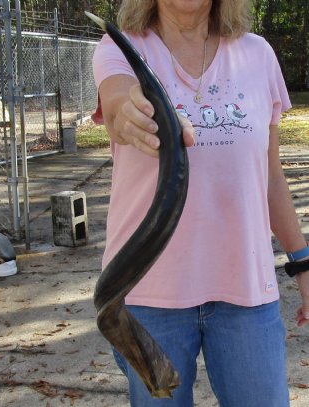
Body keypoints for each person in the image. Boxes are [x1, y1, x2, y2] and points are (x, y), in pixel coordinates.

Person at [91, 1, 309, 406]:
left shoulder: (258, 54)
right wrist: (133, 114)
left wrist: (303, 263)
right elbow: (120, 102)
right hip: (148, 298)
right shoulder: (121, 48)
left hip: (246, 290)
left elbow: (271, 177)